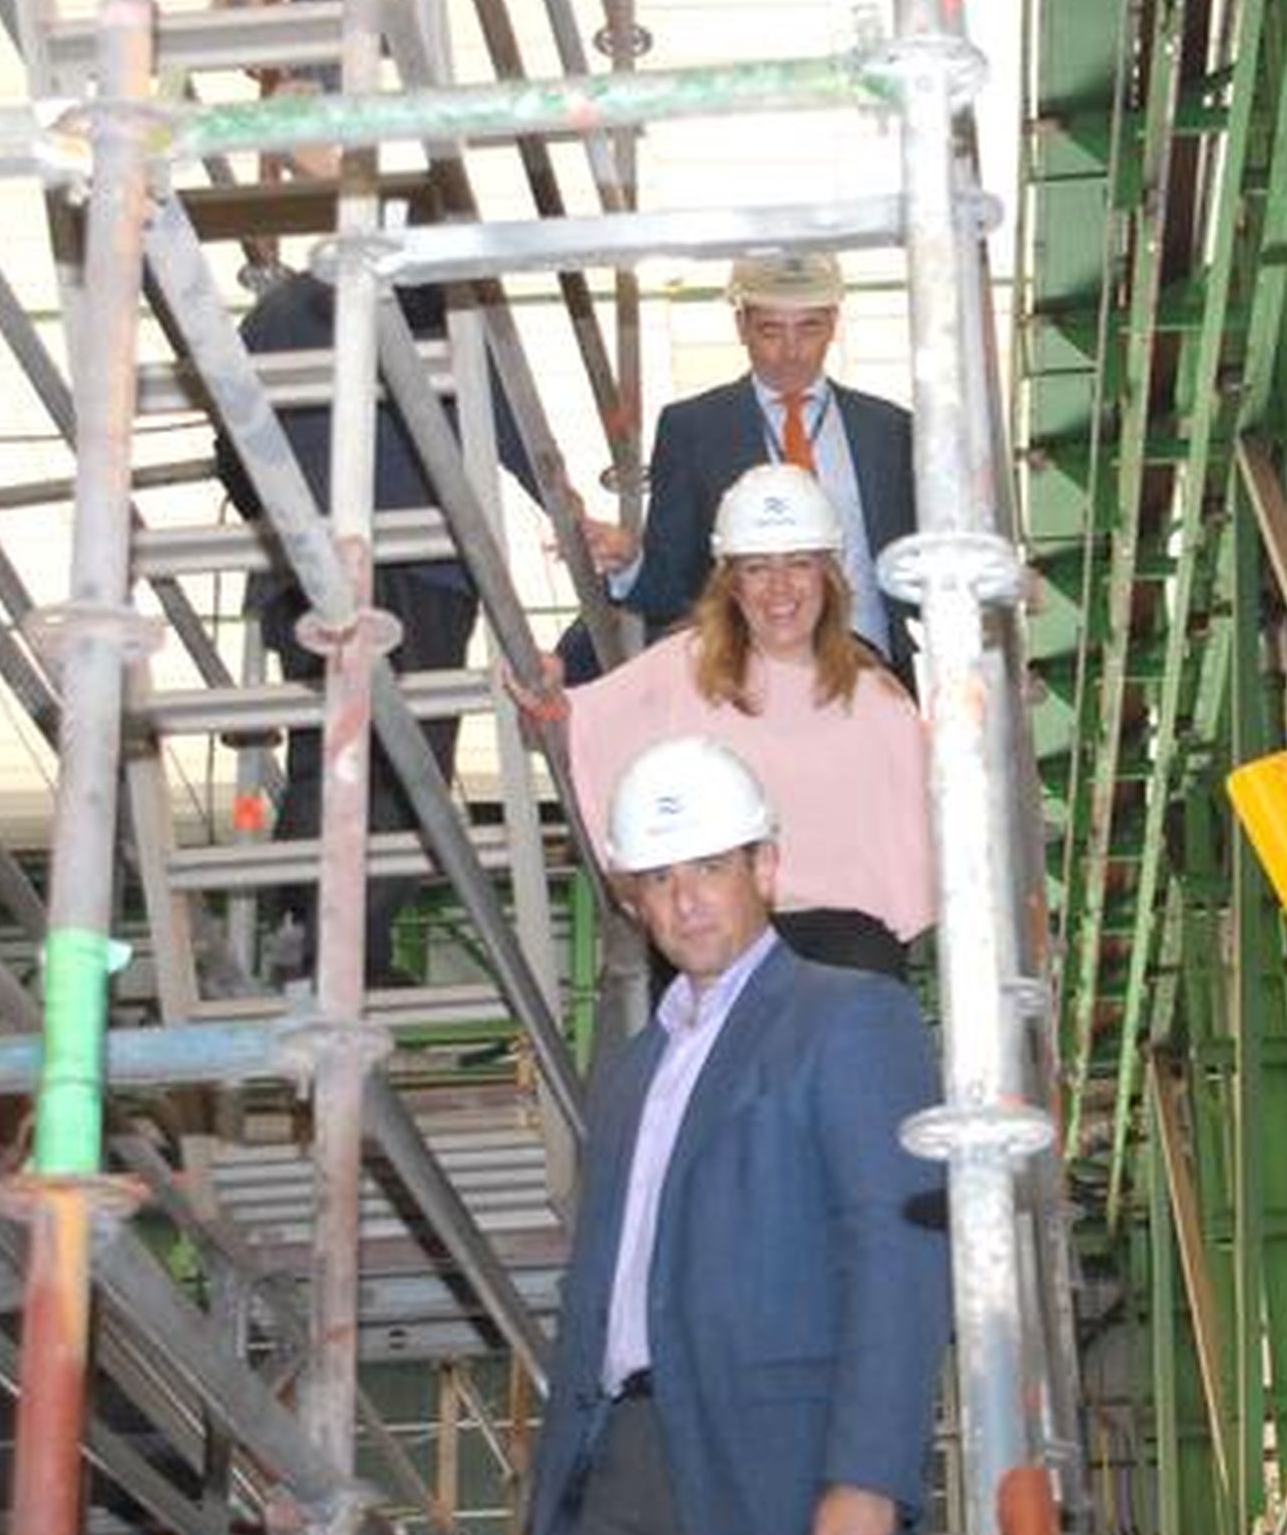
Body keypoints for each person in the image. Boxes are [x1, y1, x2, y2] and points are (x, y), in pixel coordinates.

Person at [524, 734, 951, 1535]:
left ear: (765, 865)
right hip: (620, 1467)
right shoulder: (636, 1069)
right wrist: (556, 1529)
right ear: (634, 900)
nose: (685, 901)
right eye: (659, 879)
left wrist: (868, 1473)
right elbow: (598, 1291)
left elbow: (897, 1251)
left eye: (710, 867)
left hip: (771, 1474)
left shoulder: (850, 1017)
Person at [216, 266, 539, 987]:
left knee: (325, 749)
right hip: (420, 563)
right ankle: (350, 949)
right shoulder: (447, 302)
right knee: (406, 757)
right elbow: (512, 430)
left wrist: (289, 524)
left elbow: (231, 451)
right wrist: (564, 506)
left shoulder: (271, 317)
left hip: (307, 563)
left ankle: (310, 931)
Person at [516, 463, 934, 979]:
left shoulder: (878, 700)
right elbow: (565, 729)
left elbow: (938, 836)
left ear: (829, 575)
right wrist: (544, 694)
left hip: (849, 962)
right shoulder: (676, 670)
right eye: (757, 568)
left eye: (799, 564)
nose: (780, 590)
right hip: (715, 949)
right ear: (731, 585)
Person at [586, 250, 917, 678]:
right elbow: (674, 588)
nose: (792, 351)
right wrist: (631, 561)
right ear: (741, 326)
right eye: (771, 331)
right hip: (749, 686)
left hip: (877, 674)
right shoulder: (692, 430)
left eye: (809, 329)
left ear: (834, 323)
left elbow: (919, 567)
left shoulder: (890, 430)